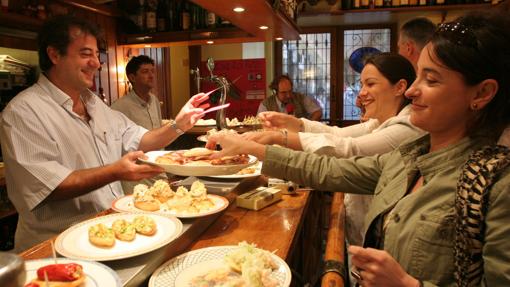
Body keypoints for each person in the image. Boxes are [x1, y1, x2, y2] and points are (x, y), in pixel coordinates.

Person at [208, 11, 510, 285]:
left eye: (431, 79)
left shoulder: (497, 182)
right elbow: (333, 168)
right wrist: (257, 149)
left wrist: (408, 285)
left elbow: (345, 148)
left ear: (482, 92)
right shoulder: (413, 155)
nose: (414, 90)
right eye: (418, 74)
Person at [0, 15, 209, 252]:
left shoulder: (94, 104)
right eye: (86, 54)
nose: (97, 64)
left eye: (97, 55)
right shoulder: (24, 112)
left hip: (110, 232)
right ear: (55, 55)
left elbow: (141, 139)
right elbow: (50, 186)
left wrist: (180, 124)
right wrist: (115, 171)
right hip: (54, 248)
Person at [241, 53, 423, 248]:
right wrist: (295, 123)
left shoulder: (406, 127)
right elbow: (337, 134)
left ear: (400, 87)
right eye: (362, 85)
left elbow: (349, 149)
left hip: (378, 240)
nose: (361, 93)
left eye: (370, 84)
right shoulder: (379, 123)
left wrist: (280, 137)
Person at [111, 55, 162, 130]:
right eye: (145, 72)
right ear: (132, 78)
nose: (151, 76)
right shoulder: (118, 107)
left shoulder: (154, 100)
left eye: (152, 71)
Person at [257, 75, 322, 121]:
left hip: (298, 136)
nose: (288, 95)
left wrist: (308, 126)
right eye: (284, 92)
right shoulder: (265, 104)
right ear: (275, 92)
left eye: (290, 91)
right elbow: (259, 122)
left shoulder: (300, 98)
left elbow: (317, 112)